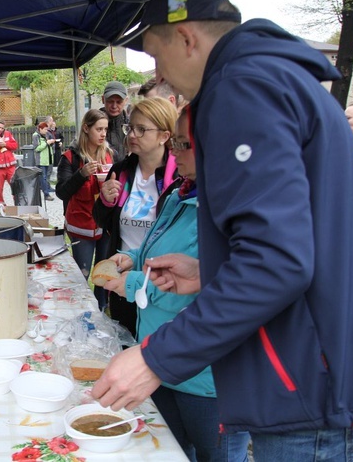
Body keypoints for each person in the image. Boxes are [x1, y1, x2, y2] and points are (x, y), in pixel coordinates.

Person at [92, 0, 353, 460]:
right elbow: (299, 239)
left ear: (187, 39)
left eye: (156, 56)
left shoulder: (239, 87)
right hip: (323, 382)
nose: (158, 75)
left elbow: (277, 261)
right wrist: (211, 273)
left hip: (315, 396)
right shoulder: (270, 79)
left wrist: (156, 358)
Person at [105, 108, 249, 461]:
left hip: (207, 379)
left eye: (184, 144)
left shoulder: (234, 207)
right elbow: (167, 254)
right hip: (161, 361)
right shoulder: (177, 194)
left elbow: (225, 291)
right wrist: (132, 258)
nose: (176, 152)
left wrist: (136, 282)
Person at [93, 97, 178, 335]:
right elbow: (102, 222)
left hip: (162, 283)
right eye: (130, 127)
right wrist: (106, 201)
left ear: (164, 136)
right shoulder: (121, 170)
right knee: (125, 341)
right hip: (123, 280)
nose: (132, 135)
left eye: (142, 129)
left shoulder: (179, 177)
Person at [56, 109, 114, 309]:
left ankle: (101, 311)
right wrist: (81, 174)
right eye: (99, 129)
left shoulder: (109, 154)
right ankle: (80, 311)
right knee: (83, 274)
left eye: (105, 129)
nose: (103, 134)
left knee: (103, 276)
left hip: (105, 226)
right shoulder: (70, 157)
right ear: (86, 128)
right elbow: (62, 192)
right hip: (81, 226)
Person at [0, 120, 18, 206]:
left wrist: (5, 144)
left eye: (2, 128)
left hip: (10, 166)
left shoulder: (8, 134)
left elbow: (15, 145)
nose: (1, 129)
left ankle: (18, 204)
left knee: (15, 186)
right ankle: (1, 206)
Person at [100, 81, 130, 160]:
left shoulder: (131, 126)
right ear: (103, 99)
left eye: (119, 102)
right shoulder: (92, 123)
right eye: (110, 101)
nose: (114, 106)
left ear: (126, 101)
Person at [32, 121, 55, 201]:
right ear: (40, 129)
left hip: (47, 159)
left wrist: (52, 143)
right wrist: (47, 143)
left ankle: (45, 191)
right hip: (41, 160)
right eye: (45, 129)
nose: (46, 131)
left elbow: (48, 145)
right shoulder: (36, 136)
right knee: (43, 178)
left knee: (45, 177)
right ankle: (46, 194)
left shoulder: (46, 134)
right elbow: (37, 148)